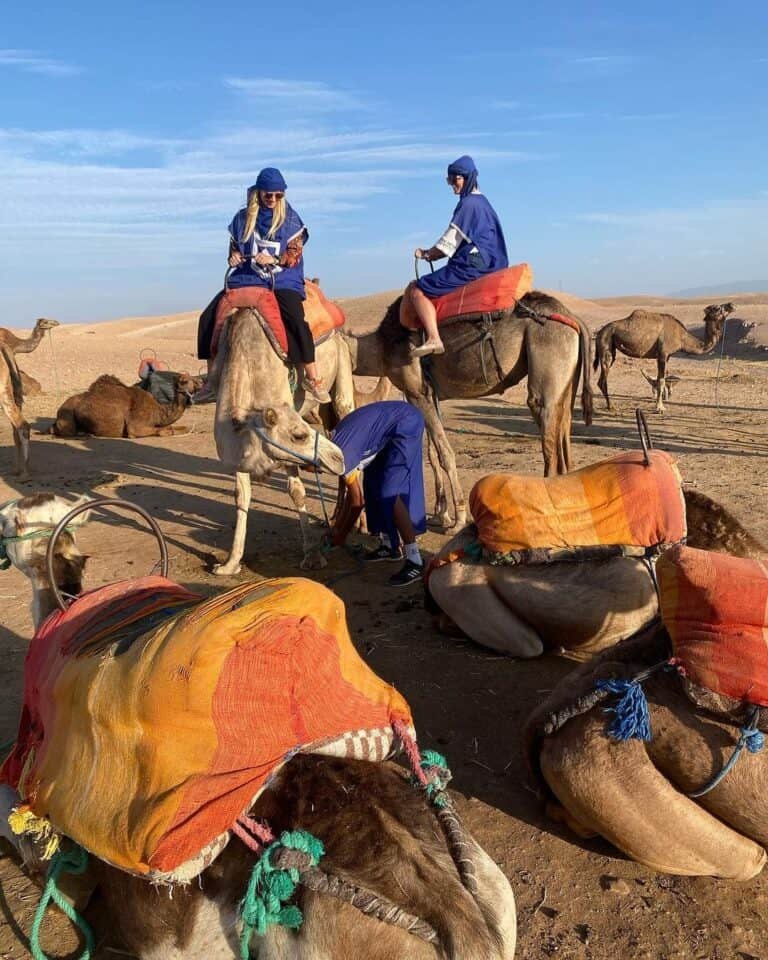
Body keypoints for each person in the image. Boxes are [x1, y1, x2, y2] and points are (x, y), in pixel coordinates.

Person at [196, 167, 330, 403]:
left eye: (278, 195)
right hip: (246, 276)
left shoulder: (290, 220)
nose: (273, 199)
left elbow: (294, 255)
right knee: (207, 318)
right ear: (258, 193)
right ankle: (212, 380)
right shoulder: (241, 219)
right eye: (269, 195)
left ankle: (312, 377)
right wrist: (233, 257)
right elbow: (235, 248)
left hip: (281, 279)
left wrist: (274, 259)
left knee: (296, 320)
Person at [399, 155, 509, 357]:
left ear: (467, 178)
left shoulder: (468, 205)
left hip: (473, 264)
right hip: (492, 262)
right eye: (450, 180)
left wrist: (426, 254)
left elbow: (449, 242)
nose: (452, 185)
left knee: (417, 290)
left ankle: (434, 338)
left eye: (455, 179)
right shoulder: (483, 202)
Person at [329, 401, 427, 588]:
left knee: (389, 491)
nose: (311, 473)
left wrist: (340, 535)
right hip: (385, 430)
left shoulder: (341, 456)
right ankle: (390, 546)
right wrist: (337, 531)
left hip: (406, 423)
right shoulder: (332, 445)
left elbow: (356, 502)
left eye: (308, 469)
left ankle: (415, 560)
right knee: (372, 481)